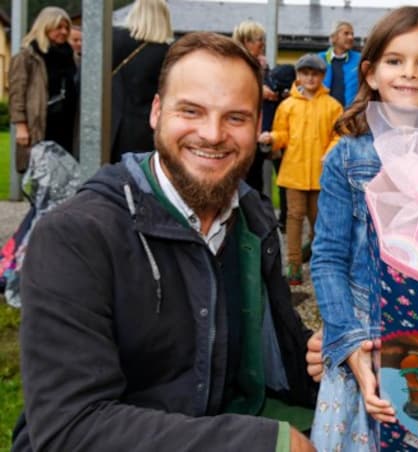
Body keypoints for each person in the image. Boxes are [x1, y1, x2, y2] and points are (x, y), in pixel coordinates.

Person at [12, 32, 317, 452]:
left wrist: (332, 356)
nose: (212, 134)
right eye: (191, 110)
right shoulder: (75, 236)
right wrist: (262, 442)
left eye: (235, 117)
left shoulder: (253, 218)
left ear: (258, 126)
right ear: (156, 112)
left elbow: (275, 350)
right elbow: (68, 429)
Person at [309, 7, 418, 451]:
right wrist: (351, 344)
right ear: (372, 73)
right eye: (395, 60)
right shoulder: (345, 157)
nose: (410, 73)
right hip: (365, 336)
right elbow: (327, 259)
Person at [259, 53, 342, 285]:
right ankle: (294, 264)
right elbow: (282, 133)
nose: (310, 78)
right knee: (294, 218)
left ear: (322, 77)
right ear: (298, 76)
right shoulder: (287, 106)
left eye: (314, 74)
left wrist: (332, 150)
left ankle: (317, 257)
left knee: (319, 221)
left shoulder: (333, 106)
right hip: (294, 173)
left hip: (320, 175)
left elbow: (339, 135)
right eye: (305, 73)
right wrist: (272, 138)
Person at [9, 6, 78, 170]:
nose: (63, 31)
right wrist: (21, 127)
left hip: (68, 124)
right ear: (45, 27)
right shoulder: (27, 56)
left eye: (66, 27)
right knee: (41, 175)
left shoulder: (71, 57)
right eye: (58, 27)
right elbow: (17, 94)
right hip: (41, 125)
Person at [110, 0, 172, 163]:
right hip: (144, 132)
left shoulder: (111, 41)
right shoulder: (166, 53)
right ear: (163, 18)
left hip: (107, 125)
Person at [232, 20, 280, 195]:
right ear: (245, 41)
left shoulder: (262, 66)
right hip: (243, 129)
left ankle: (255, 218)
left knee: (255, 180)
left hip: (260, 131)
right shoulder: (235, 64)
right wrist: (259, 90)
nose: (263, 43)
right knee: (243, 179)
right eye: (258, 39)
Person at [318, 21, 361, 108]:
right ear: (334, 37)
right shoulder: (320, 58)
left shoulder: (359, 59)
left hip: (350, 113)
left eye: (352, 34)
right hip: (325, 111)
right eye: (346, 33)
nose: (351, 37)